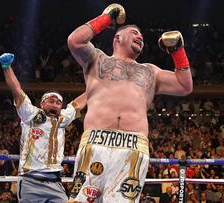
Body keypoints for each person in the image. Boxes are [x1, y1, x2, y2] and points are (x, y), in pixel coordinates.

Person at [67, 3, 193, 202]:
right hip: (95, 141)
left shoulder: (150, 71)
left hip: (133, 147)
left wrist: (177, 51)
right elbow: (75, 41)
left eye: (141, 36)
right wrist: (107, 18)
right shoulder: (97, 60)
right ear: (118, 38)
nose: (140, 37)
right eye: (135, 32)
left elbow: (184, 86)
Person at [0, 53, 86, 202]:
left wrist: (98, 85)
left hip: (55, 182)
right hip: (30, 181)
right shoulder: (31, 115)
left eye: (58, 103)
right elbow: (17, 91)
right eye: (51, 101)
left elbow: (79, 102)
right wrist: (6, 67)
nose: (55, 104)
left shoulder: (63, 119)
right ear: (42, 104)